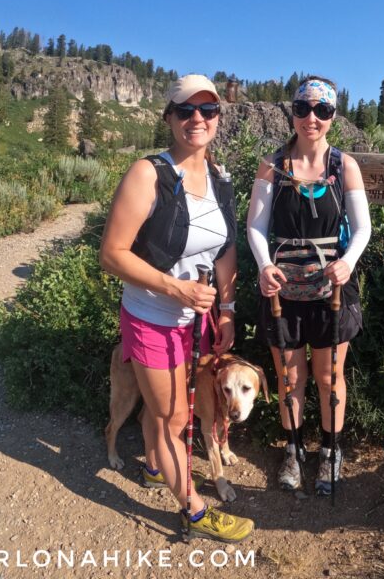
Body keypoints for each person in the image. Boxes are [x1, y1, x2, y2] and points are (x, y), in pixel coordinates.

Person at [99, 74, 253, 543]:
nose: (197, 119)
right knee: (175, 419)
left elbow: (225, 248)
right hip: (151, 317)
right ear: (168, 117)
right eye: (185, 110)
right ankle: (195, 510)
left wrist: (225, 309)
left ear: (218, 119)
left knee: (165, 411)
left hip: (197, 322)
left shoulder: (221, 178)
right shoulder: (148, 174)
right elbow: (112, 255)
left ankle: (153, 466)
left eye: (207, 111)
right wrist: (174, 289)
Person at [246, 76, 371, 496]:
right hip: (282, 290)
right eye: (303, 109)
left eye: (322, 110)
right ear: (293, 113)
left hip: (330, 291)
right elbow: (256, 227)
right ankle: (294, 449)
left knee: (329, 375)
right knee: (288, 376)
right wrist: (264, 266)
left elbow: (363, 227)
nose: (311, 118)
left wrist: (348, 262)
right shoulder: (272, 166)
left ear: (333, 116)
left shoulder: (344, 165)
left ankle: (331, 450)